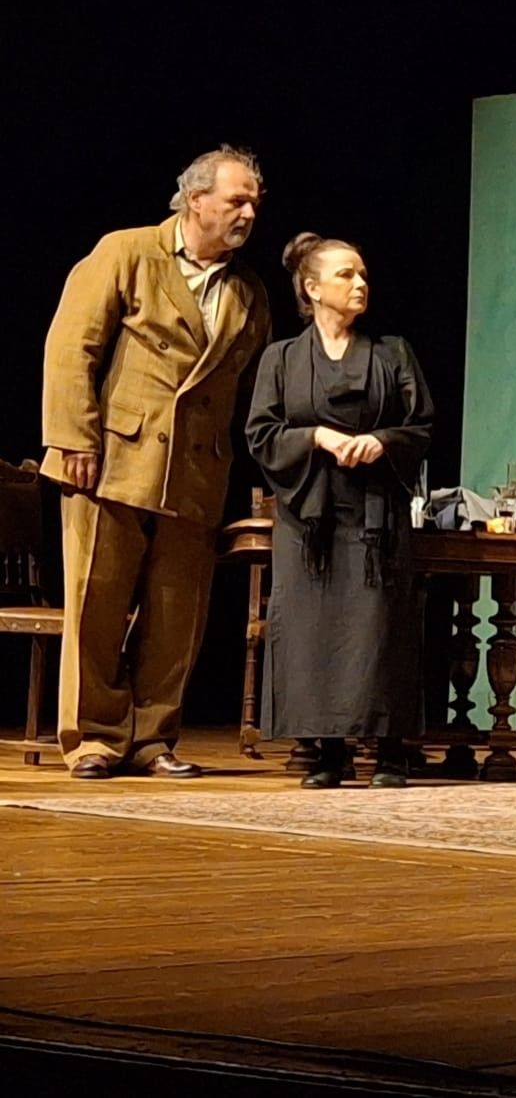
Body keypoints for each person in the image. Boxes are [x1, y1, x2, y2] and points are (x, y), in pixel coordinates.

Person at [40, 146, 273, 780]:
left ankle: (151, 739)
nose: (249, 213)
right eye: (237, 200)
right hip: (113, 457)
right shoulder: (128, 251)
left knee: (177, 615)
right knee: (97, 603)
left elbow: (247, 386)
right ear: (196, 199)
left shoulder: (249, 292)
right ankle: (94, 737)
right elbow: (71, 348)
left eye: (254, 203)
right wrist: (74, 440)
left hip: (196, 471)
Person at [246, 234, 434, 789]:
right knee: (314, 633)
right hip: (311, 517)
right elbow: (261, 434)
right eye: (347, 275)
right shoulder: (282, 358)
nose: (360, 284)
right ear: (312, 288)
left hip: (374, 515)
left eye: (363, 275)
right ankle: (327, 749)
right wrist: (316, 437)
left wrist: (383, 441)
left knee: (379, 629)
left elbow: (421, 425)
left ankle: (390, 750)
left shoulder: (391, 353)